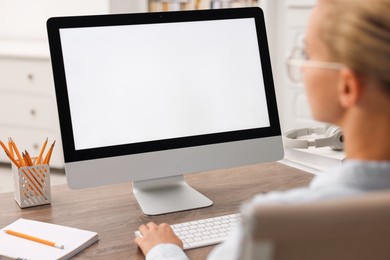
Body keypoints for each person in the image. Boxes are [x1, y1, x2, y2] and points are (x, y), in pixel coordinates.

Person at [134, 0, 390, 259]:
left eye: (308, 54)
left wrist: (163, 249)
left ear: (346, 87)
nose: (301, 66)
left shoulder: (278, 221)